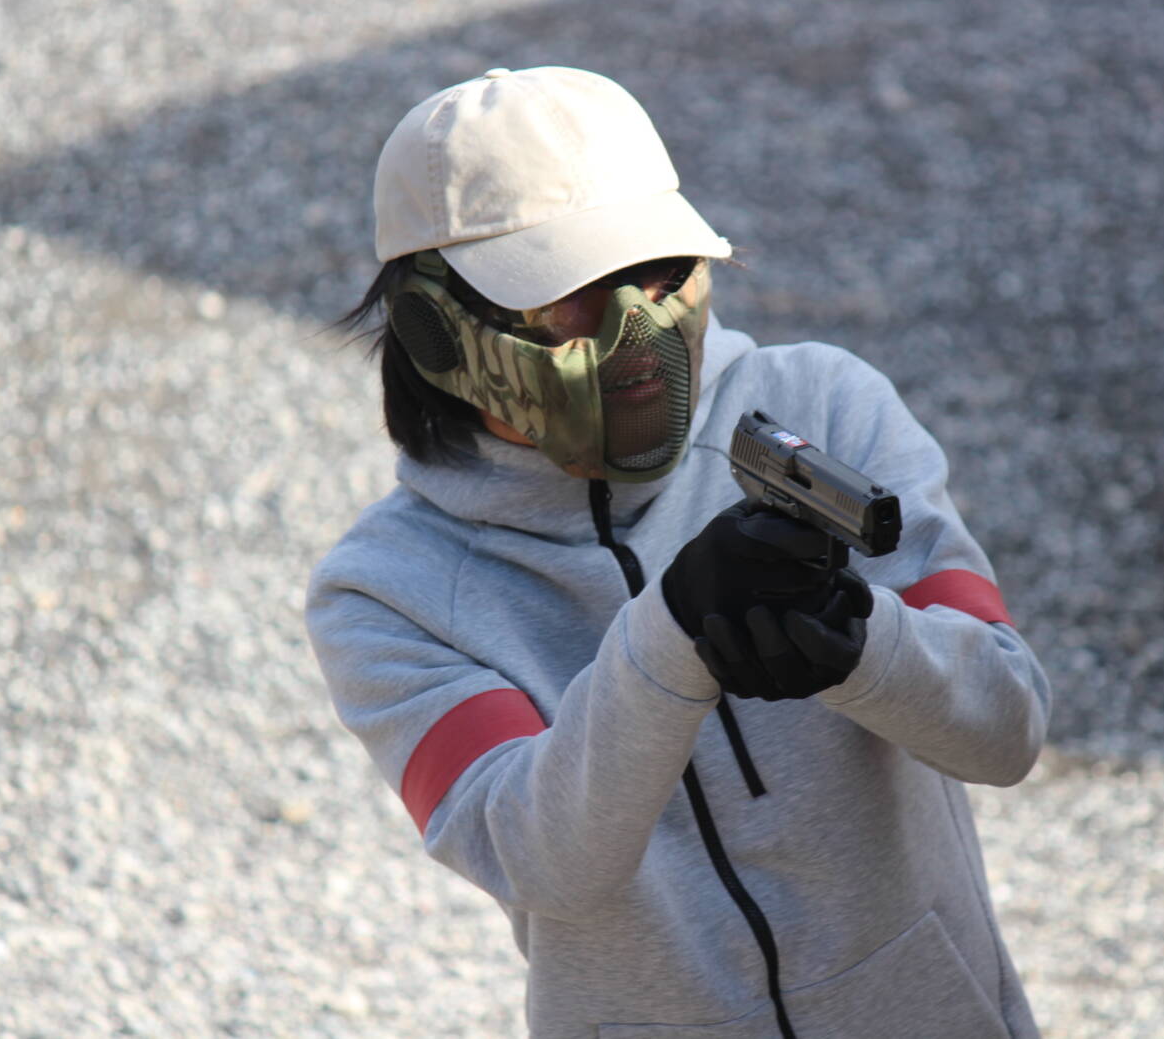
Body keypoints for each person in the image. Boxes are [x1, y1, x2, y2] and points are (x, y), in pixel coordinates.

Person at [306, 65, 1052, 1038]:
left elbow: (1008, 724)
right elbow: (542, 859)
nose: (638, 329)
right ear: (435, 330)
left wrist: (865, 644)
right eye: (572, 294)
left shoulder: (824, 407)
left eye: (659, 273)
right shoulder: (386, 592)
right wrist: (672, 631)